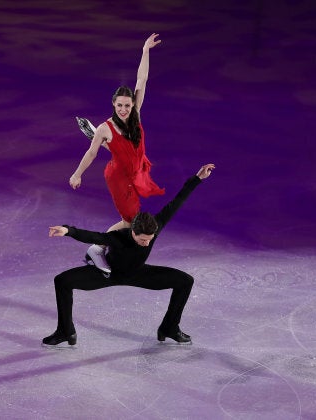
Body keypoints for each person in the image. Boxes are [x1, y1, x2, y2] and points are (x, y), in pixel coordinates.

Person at [43, 163, 215, 347]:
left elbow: (177, 202)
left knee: (185, 281)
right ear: (133, 232)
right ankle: (65, 331)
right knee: (62, 281)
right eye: (142, 240)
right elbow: (92, 236)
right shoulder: (118, 238)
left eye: (150, 239)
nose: (146, 243)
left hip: (138, 274)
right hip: (107, 274)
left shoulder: (155, 226)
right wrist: (67, 230)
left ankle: (169, 327)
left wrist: (197, 179)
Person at [69, 33, 165, 274]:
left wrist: (145, 50)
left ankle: (100, 248)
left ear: (133, 105)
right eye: (119, 105)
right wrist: (77, 174)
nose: (124, 109)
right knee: (129, 222)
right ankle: (97, 248)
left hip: (137, 168)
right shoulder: (106, 127)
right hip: (119, 177)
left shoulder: (136, 115)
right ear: (114, 104)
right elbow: (90, 155)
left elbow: (141, 80)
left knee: (131, 218)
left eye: (127, 105)